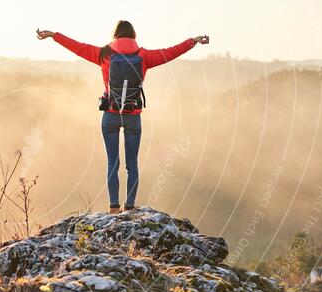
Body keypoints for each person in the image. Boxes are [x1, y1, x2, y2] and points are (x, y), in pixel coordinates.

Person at [37, 21, 209, 213]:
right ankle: (129, 207)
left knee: (113, 162)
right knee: (132, 164)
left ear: (115, 36)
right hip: (133, 115)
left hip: (110, 114)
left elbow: (77, 47)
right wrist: (192, 41)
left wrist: (54, 35)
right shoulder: (144, 56)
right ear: (133, 36)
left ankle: (113, 207)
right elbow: (169, 53)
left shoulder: (103, 54)